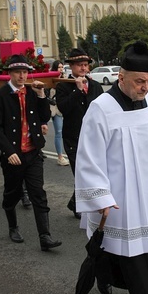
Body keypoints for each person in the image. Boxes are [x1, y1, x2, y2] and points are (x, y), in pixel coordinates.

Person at [75, 41, 148, 294]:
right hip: (120, 200)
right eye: (139, 81)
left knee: (145, 252)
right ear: (121, 77)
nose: (145, 87)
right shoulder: (101, 108)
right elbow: (89, 157)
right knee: (129, 254)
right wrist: (100, 197)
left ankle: (108, 278)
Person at [0, 54, 62, 250]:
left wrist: (41, 95)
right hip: (13, 154)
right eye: (18, 72)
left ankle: (45, 236)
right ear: (10, 74)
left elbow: (44, 116)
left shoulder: (31, 92)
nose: (22, 76)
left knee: (38, 193)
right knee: (12, 193)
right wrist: (8, 151)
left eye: (25, 72)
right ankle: (13, 226)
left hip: (33, 152)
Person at [56, 48, 104, 218]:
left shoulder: (95, 86)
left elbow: (102, 109)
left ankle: (75, 202)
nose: (83, 68)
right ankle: (81, 206)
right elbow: (63, 108)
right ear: (71, 67)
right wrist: (77, 90)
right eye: (79, 65)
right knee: (81, 172)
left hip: (93, 137)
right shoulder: (63, 86)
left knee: (91, 172)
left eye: (85, 65)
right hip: (73, 137)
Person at [48, 60, 69, 166]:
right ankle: (60, 156)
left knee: (62, 131)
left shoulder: (65, 78)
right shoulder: (51, 79)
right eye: (59, 67)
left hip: (62, 108)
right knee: (58, 132)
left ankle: (62, 155)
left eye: (62, 67)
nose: (61, 69)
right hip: (53, 107)